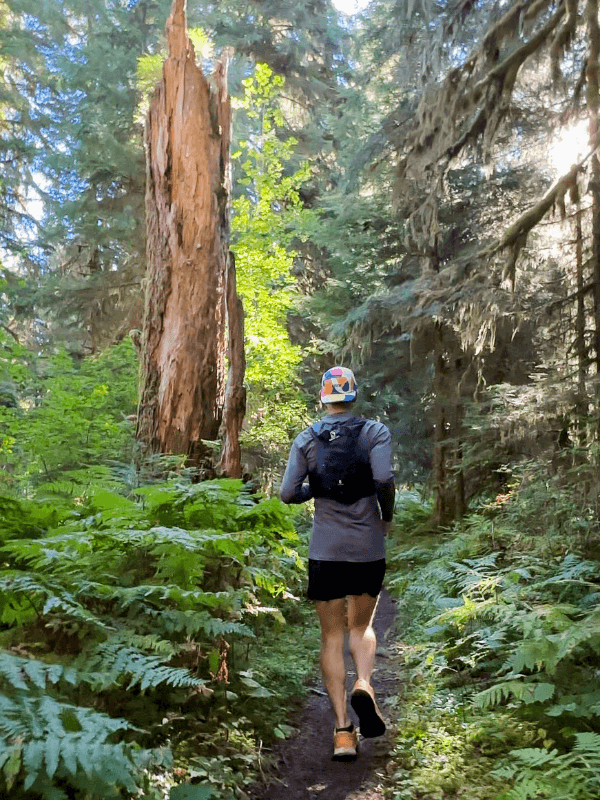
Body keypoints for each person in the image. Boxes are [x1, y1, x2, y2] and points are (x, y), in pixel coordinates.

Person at [280, 366, 395, 761]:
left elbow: (287, 493)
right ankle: (363, 683)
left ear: (323, 398)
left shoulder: (307, 438)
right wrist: (387, 515)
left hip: (325, 552)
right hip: (367, 548)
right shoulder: (375, 432)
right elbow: (383, 480)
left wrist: (319, 486)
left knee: (331, 636)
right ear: (353, 397)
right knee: (360, 627)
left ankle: (343, 731)